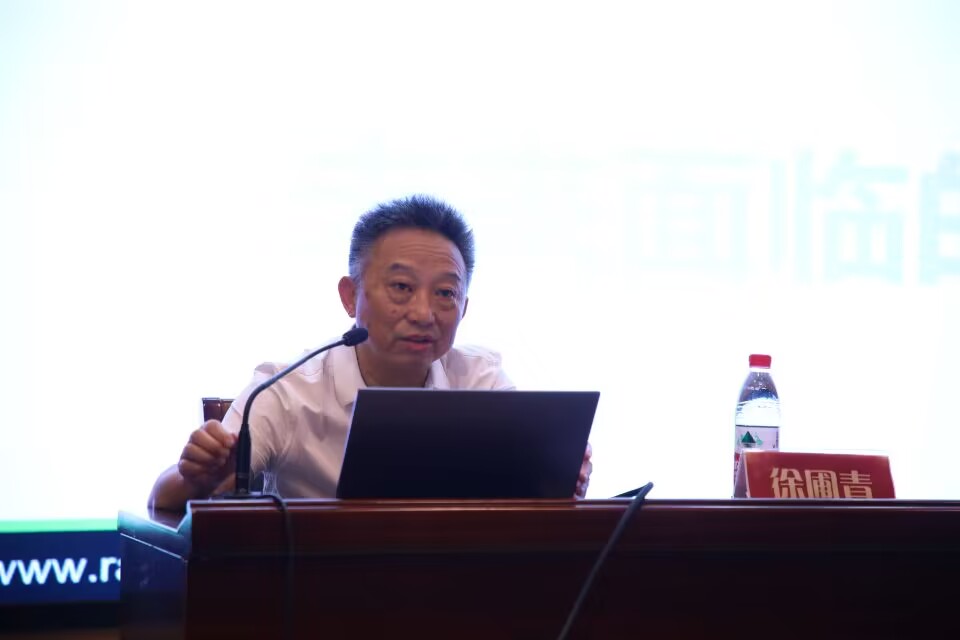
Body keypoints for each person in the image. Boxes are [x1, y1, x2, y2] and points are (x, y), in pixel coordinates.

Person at [149, 195, 593, 509]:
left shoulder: (481, 381)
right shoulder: (286, 388)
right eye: (401, 287)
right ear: (350, 296)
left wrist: (559, 479)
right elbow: (163, 499)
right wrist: (199, 477)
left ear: (464, 307)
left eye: (445, 293)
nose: (423, 313)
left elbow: (531, 502)